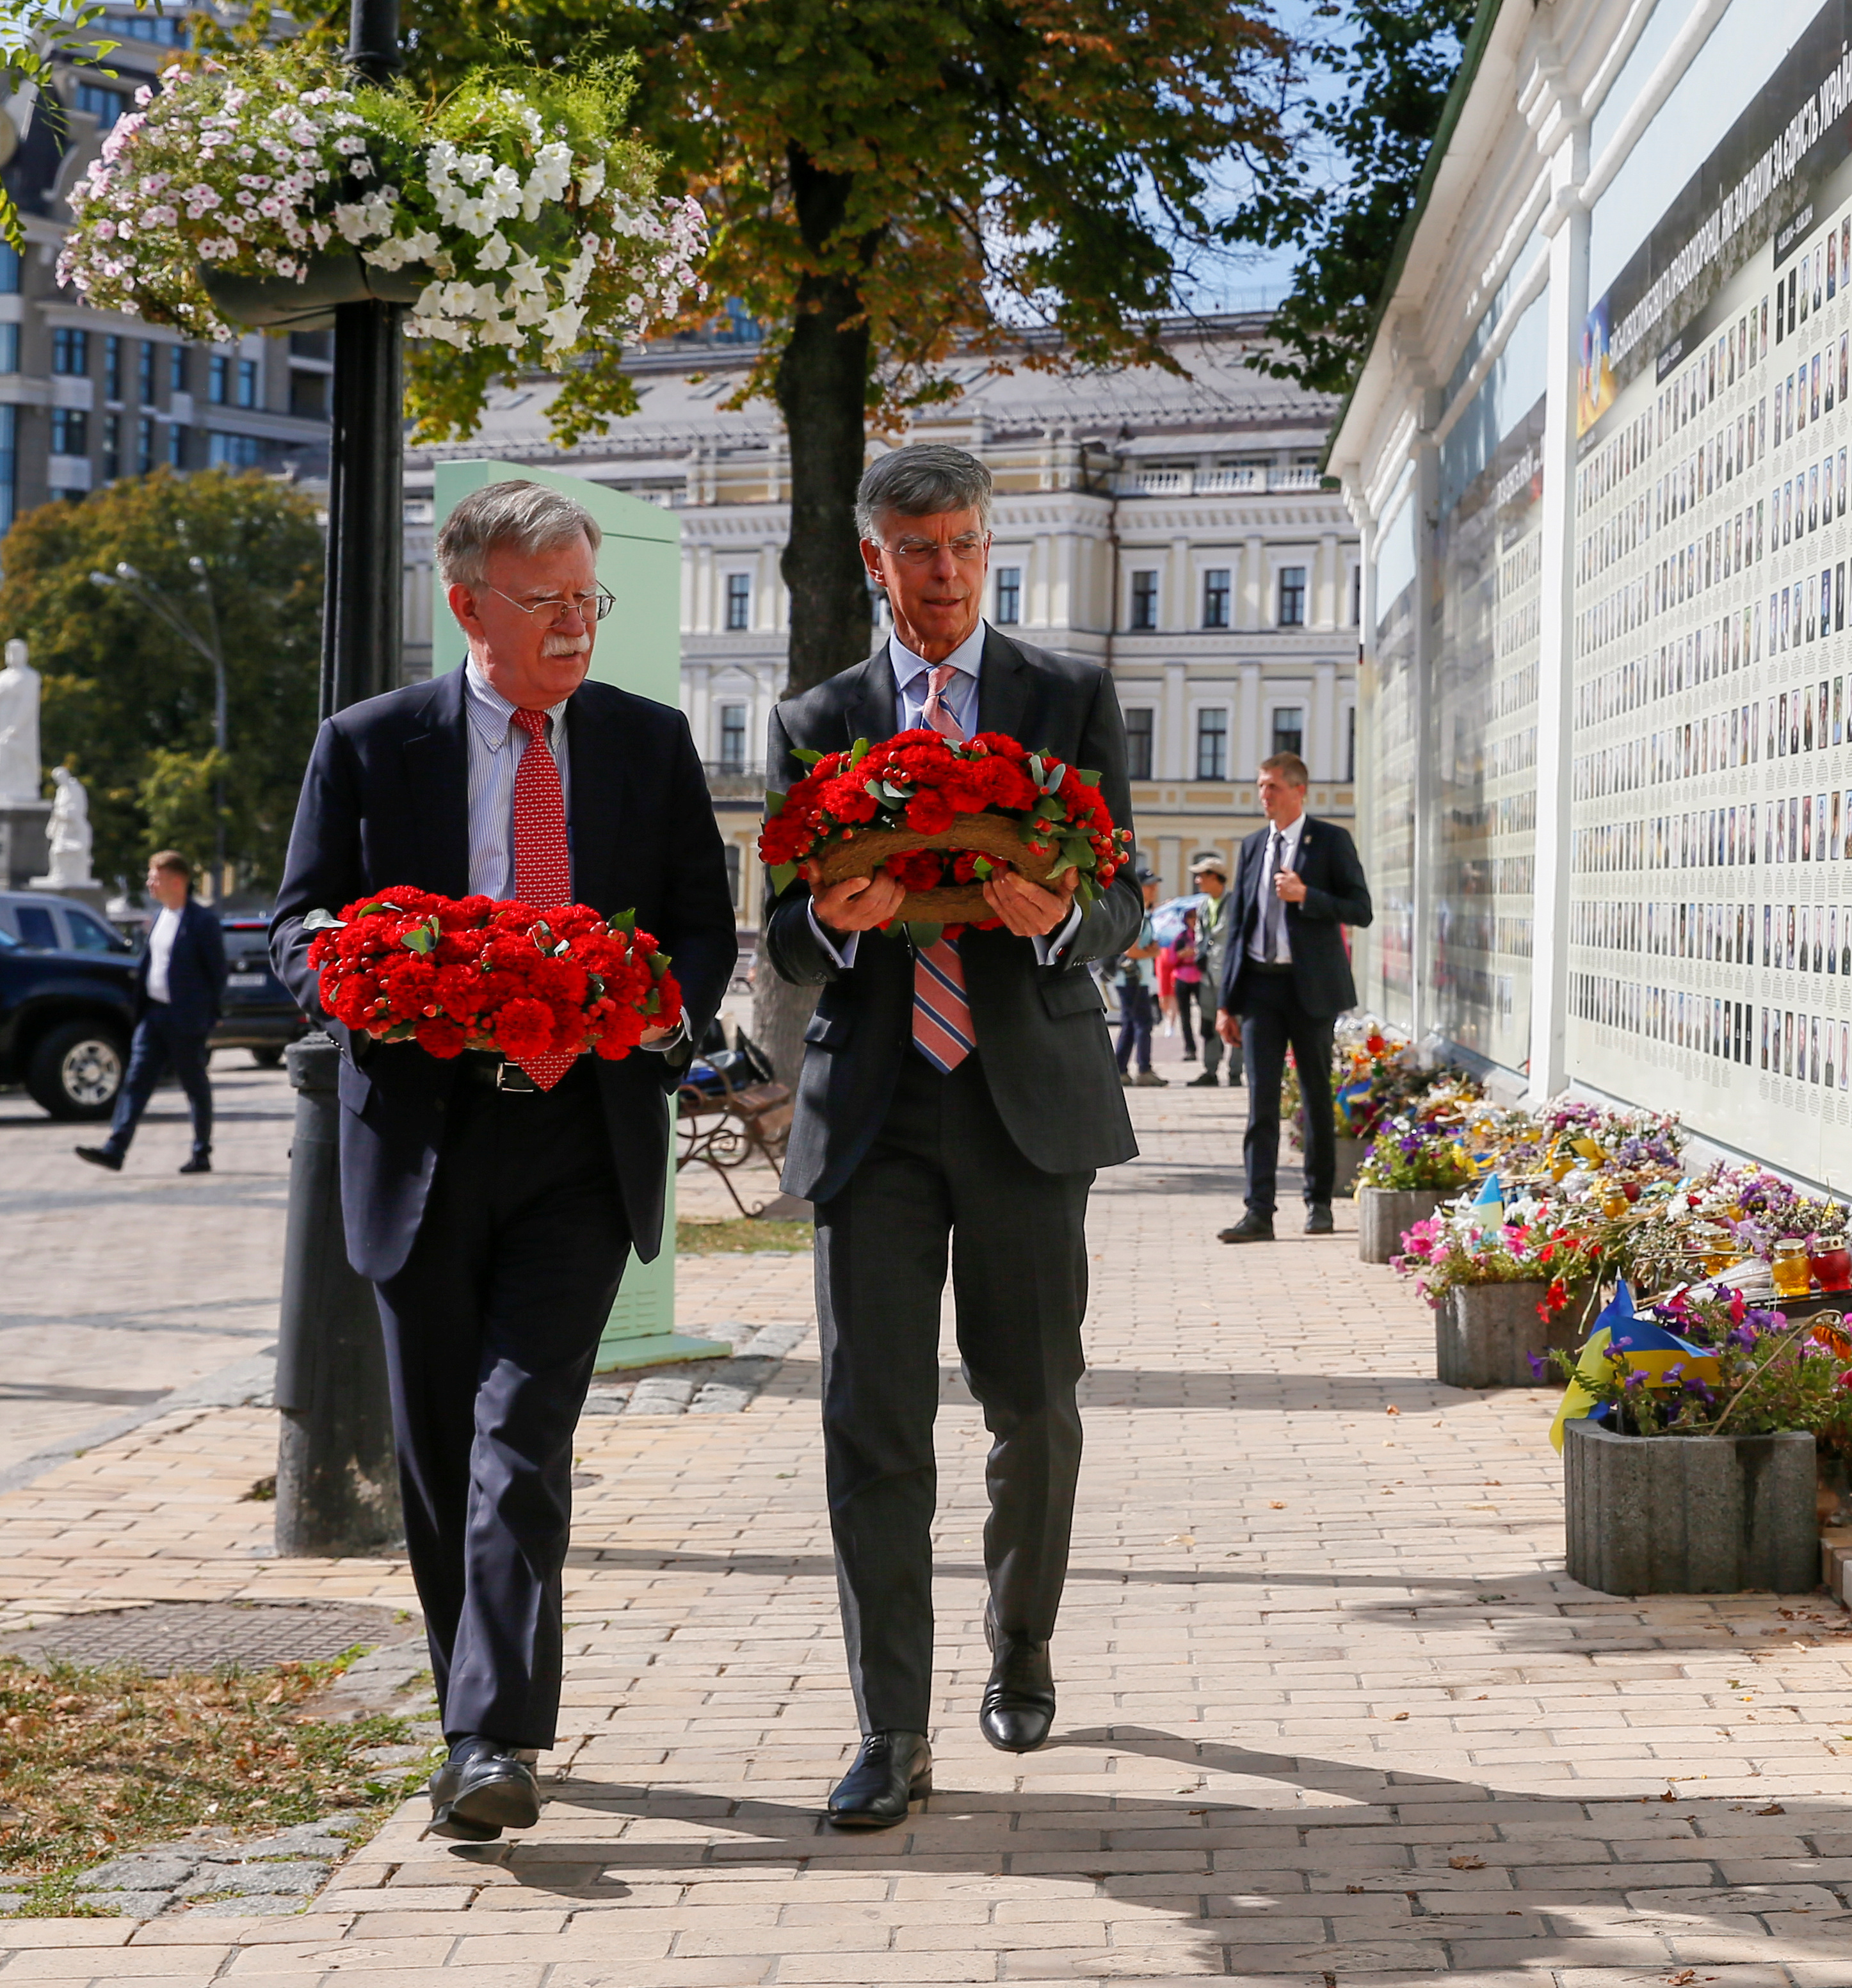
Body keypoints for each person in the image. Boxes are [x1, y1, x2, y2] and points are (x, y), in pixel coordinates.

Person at [268, 479, 736, 1842]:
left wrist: (662, 1003)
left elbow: (702, 928)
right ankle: (470, 1701)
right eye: (548, 601)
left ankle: (489, 1735)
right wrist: (361, 983)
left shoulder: (647, 744)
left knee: (520, 1434)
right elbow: (299, 922)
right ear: (468, 602)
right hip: (418, 1137)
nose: (578, 624)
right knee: (436, 1453)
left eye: (590, 598)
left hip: (579, 1139)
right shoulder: (370, 745)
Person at [761, 445, 1145, 1818]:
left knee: (1032, 1406)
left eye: (965, 547)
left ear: (990, 551)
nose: (942, 574)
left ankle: (1020, 1648)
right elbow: (782, 927)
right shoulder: (817, 717)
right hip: (870, 1111)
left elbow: (1124, 896)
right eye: (917, 550)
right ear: (874, 558)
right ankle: (889, 1728)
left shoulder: (1064, 696)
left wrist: (1063, 923)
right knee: (872, 1423)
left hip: (1022, 1101)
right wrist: (828, 925)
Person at [1216, 752, 1373, 1242]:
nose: (1264, 795)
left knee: (1314, 1097)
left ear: (1299, 790)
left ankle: (1318, 1202)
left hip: (1310, 989)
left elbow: (1360, 910)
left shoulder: (1329, 840)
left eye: (1273, 787)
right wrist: (1226, 1002)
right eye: (1261, 786)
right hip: (1260, 986)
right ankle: (1258, 1210)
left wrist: (1308, 896)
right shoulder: (1251, 846)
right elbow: (1236, 927)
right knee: (1260, 1101)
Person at [74, 849, 227, 1174]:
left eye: (155, 877)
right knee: (135, 1081)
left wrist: (208, 1017)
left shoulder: (202, 922)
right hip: (154, 1016)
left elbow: (217, 975)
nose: (150, 884)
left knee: (194, 1086)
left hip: (186, 1020)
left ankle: (202, 1152)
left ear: (177, 880)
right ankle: (115, 1149)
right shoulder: (159, 918)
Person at [1108, 871, 1166, 1086]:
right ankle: (1143, 1069)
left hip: (1134, 978)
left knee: (1132, 1024)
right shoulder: (1137, 915)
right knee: (1142, 1023)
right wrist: (1153, 953)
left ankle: (1121, 1069)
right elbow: (1130, 951)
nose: (1153, 890)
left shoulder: (1141, 914)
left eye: (1155, 886)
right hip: (1132, 978)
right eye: (1149, 886)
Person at [1182, 856, 1228, 1083]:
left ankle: (1236, 1072)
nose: (1198, 880)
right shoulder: (1203, 906)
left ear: (1214, 877)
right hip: (1208, 974)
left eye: (1202, 876)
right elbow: (1201, 935)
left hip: (1230, 974)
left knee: (1235, 1022)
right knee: (1208, 1023)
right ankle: (1211, 1071)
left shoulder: (1235, 902)